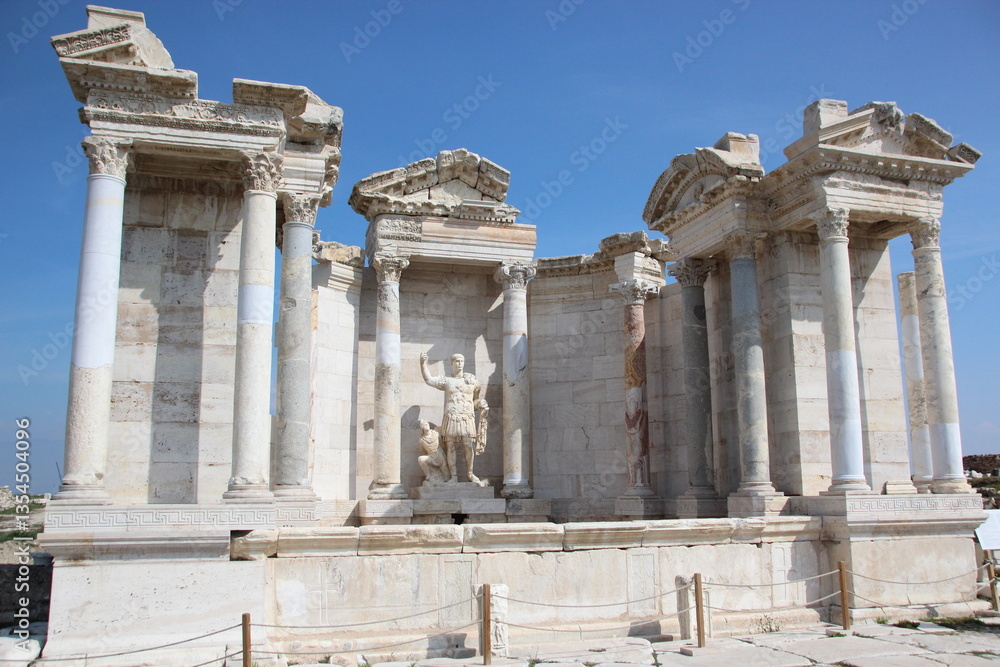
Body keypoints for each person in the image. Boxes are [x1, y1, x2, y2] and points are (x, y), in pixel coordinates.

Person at [419, 352, 489, 486]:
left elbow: (474, 402)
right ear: (451, 363)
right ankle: (454, 476)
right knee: (450, 447)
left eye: (461, 361)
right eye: (456, 361)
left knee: (468, 446)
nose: (459, 364)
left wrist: (481, 403)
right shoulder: (447, 381)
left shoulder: (472, 382)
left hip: (467, 416)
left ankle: (470, 474)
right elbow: (429, 380)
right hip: (451, 415)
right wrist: (423, 364)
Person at [417, 419, 449, 486]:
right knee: (421, 459)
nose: (426, 425)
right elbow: (423, 451)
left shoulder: (436, 433)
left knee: (447, 478)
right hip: (431, 457)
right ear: (422, 428)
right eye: (424, 425)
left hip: (441, 457)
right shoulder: (422, 440)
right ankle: (428, 475)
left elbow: (443, 444)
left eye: (427, 424)